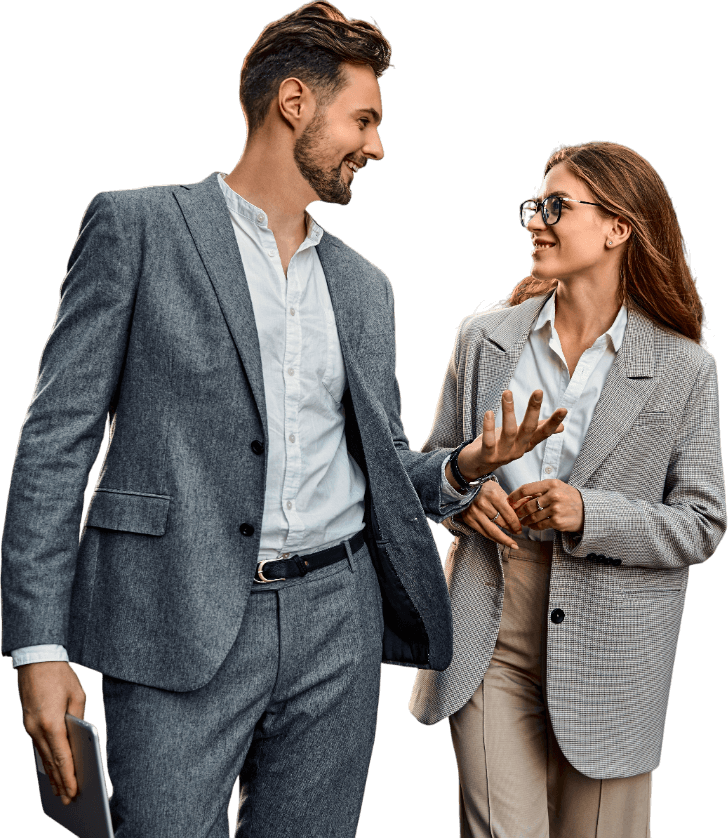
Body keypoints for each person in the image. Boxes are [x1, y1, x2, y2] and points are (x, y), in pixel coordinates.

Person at [0, 4, 567, 836]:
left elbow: (371, 462)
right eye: (363, 119)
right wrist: (38, 649)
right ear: (294, 102)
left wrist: (460, 466)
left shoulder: (367, 288)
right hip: (173, 617)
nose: (377, 146)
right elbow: (55, 443)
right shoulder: (139, 227)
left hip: (338, 622)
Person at [409, 140, 726, 837]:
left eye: (556, 206)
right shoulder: (481, 339)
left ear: (619, 228)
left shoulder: (685, 368)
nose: (534, 220)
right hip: (488, 624)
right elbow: (422, 475)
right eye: (533, 205)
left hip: (614, 649)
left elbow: (702, 523)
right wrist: (465, 480)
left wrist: (589, 513)